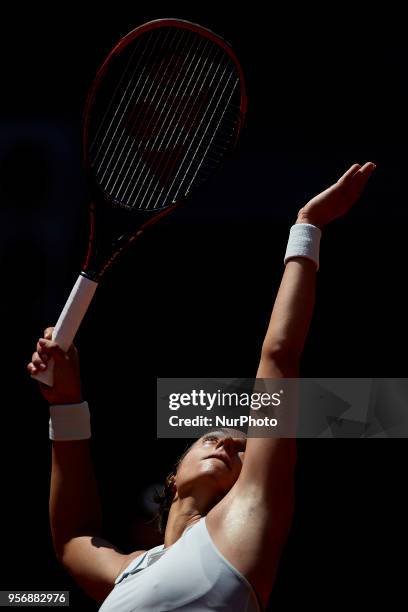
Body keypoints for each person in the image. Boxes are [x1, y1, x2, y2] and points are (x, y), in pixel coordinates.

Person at [28, 162, 376, 611]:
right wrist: (66, 402)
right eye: (212, 436)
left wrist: (306, 230)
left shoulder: (247, 523)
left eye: (243, 447)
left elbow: (279, 359)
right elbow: (74, 538)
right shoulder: (130, 572)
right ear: (171, 478)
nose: (230, 441)